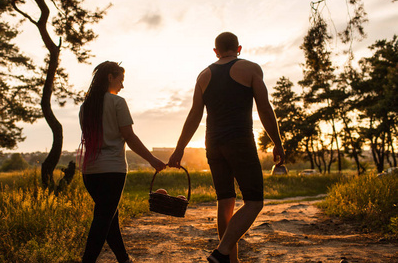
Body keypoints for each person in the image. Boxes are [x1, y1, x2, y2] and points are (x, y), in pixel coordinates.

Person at [168, 32, 285, 263]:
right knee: (254, 202)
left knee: (225, 200)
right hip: (239, 141)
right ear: (239, 48)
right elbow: (264, 108)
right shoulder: (251, 69)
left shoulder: (203, 75)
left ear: (215, 51)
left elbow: (194, 115)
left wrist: (179, 148)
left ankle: (231, 261)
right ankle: (222, 253)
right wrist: (277, 143)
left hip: (212, 144)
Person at [79, 61, 166, 263]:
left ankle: (124, 259)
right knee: (103, 218)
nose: (122, 85)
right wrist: (152, 159)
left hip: (90, 172)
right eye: (121, 80)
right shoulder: (117, 102)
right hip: (112, 170)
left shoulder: (86, 107)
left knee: (109, 217)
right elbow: (129, 136)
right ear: (110, 77)